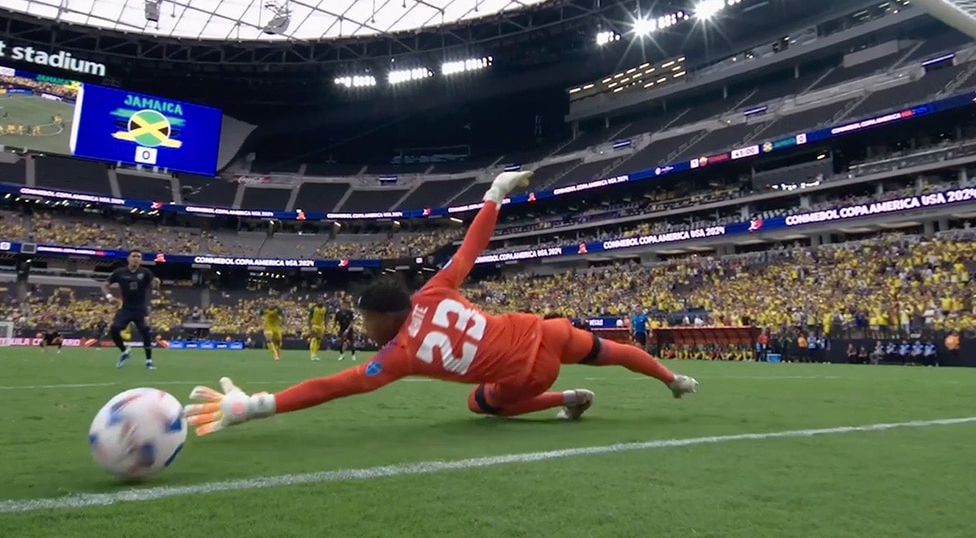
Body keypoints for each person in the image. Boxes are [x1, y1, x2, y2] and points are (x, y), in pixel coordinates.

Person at [184, 172, 698, 436]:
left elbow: (332, 385)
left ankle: (570, 398)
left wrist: (258, 405)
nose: (365, 329)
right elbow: (471, 248)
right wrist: (494, 194)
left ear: (388, 316)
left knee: (481, 405)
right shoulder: (433, 290)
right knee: (607, 350)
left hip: (528, 373)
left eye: (367, 320)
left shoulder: (402, 353)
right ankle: (672, 380)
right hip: (540, 329)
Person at [103, 249, 159, 370]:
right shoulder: (120, 272)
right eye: (134, 256)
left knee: (146, 333)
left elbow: (154, 283)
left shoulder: (145, 272)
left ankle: (149, 361)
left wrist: (156, 285)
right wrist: (109, 296)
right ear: (128, 258)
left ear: (141, 260)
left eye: (139, 256)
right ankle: (124, 351)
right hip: (125, 308)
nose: (136, 258)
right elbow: (105, 285)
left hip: (140, 309)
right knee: (114, 329)